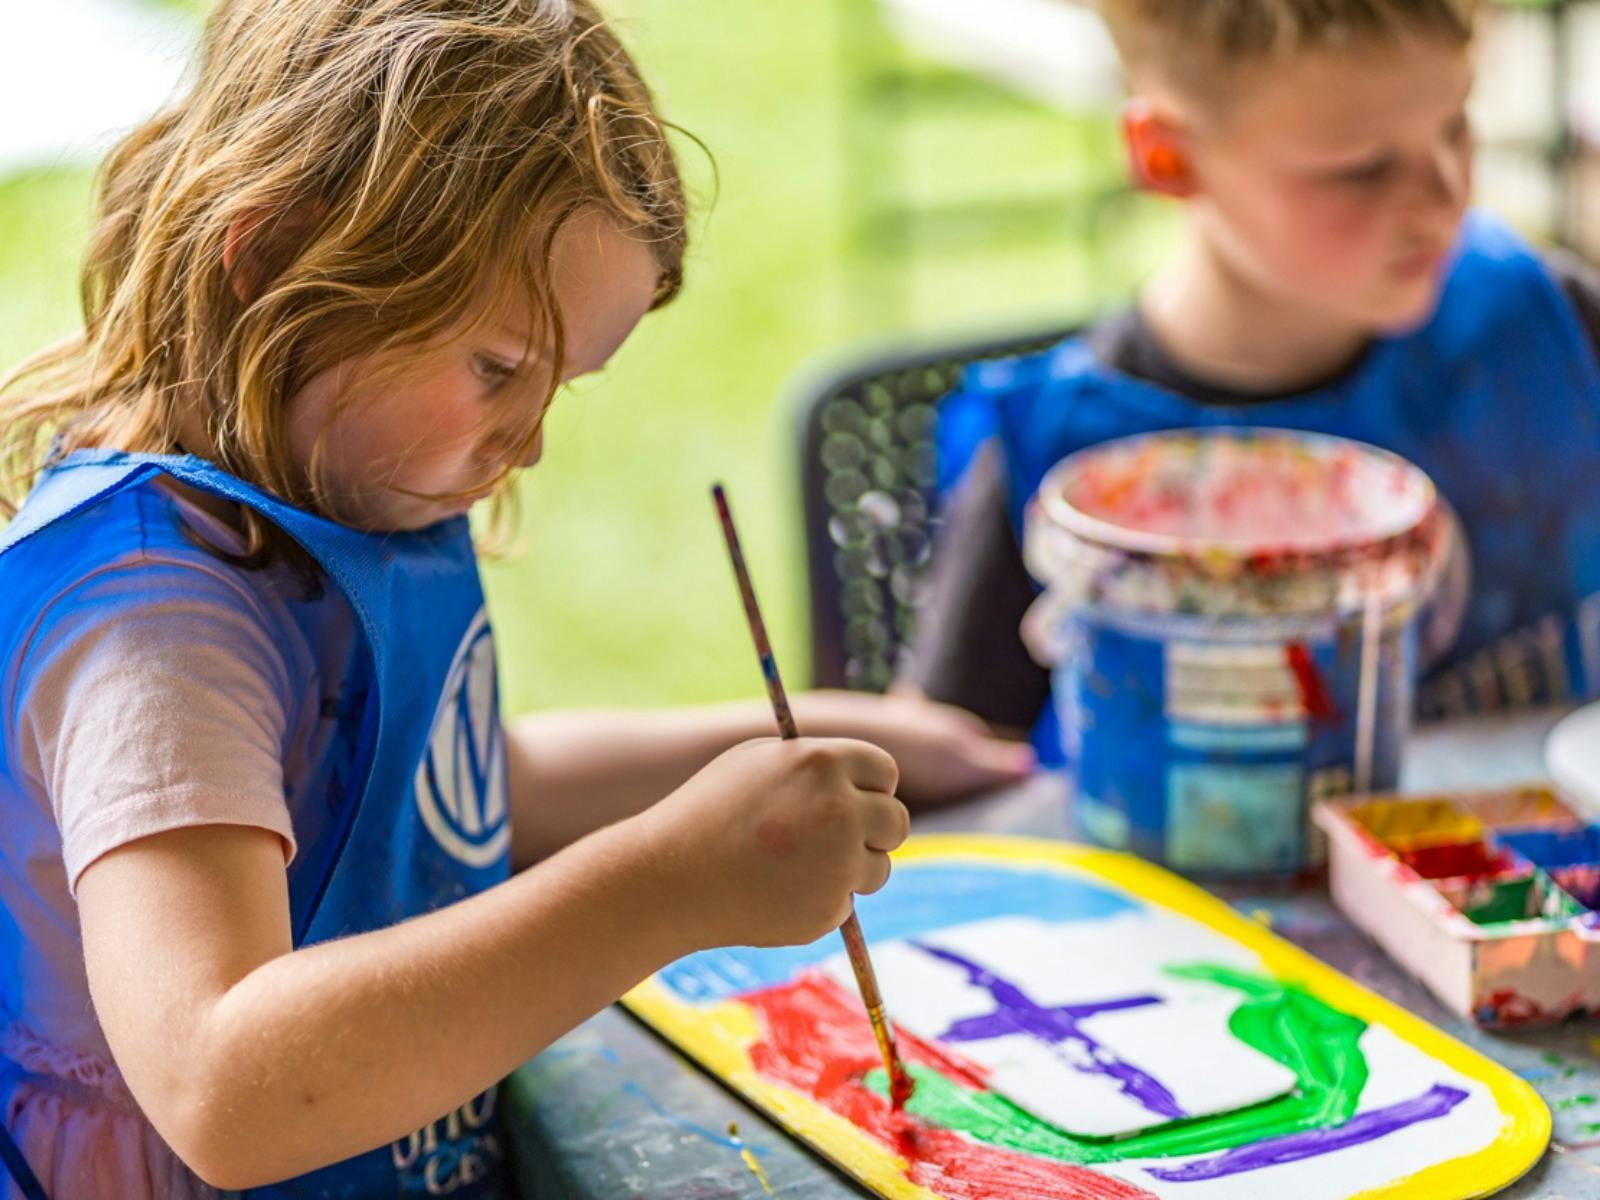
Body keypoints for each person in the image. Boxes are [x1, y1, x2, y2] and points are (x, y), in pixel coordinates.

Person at [0, 2, 1032, 1195]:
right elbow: (224, 1087)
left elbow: (465, 800)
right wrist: (670, 882)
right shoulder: (153, 618)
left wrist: (790, 734)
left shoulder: (348, 483)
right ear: (276, 257)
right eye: (496, 368)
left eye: (563, 388)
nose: (529, 444)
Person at [910, 0, 1600, 764]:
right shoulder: (1055, 461)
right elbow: (945, 792)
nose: (1445, 197)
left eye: (1455, 127)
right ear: (1168, 158)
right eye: (1363, 169)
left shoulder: (1553, 329)